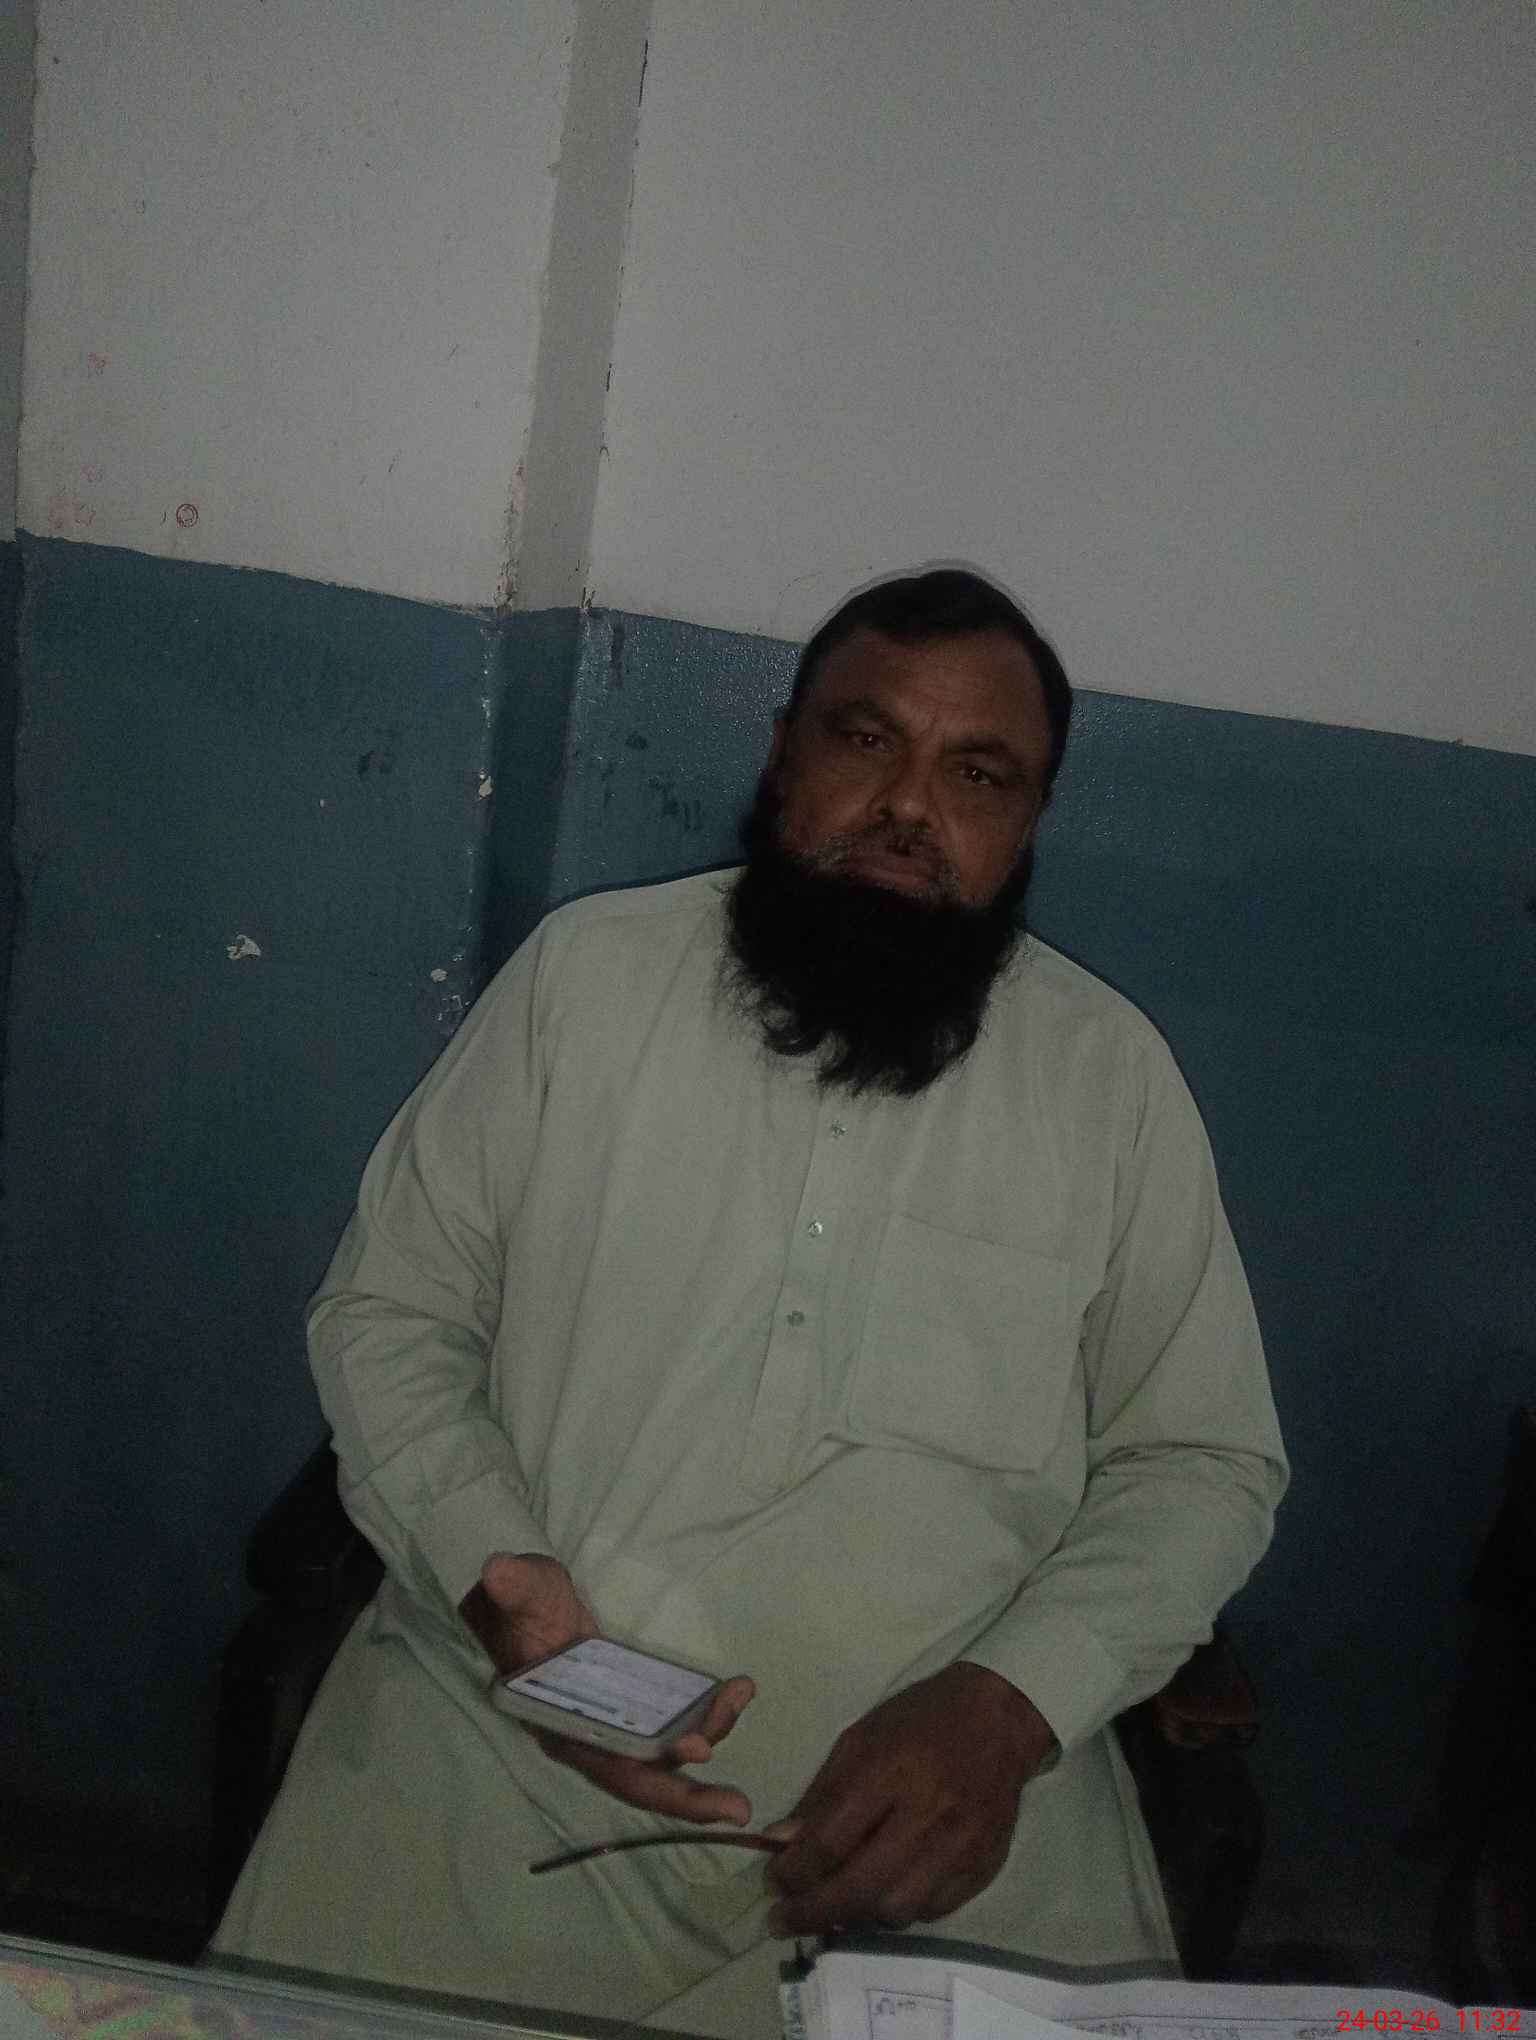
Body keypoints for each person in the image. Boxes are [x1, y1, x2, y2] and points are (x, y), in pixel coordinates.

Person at [213, 568, 1287, 2034]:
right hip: (506, 1753)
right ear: (785, 753)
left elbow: (1203, 1460)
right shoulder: (585, 984)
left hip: (955, 1820)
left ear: (1031, 818)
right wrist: (502, 1586)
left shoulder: (1112, 1082)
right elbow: (391, 1317)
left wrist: (1011, 1708)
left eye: (976, 774)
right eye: (866, 740)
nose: (908, 808)